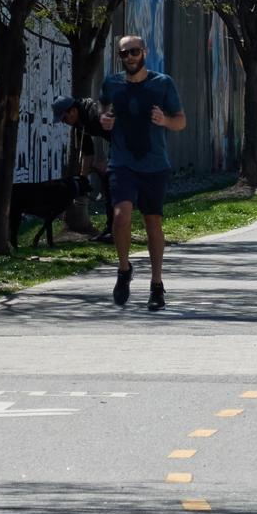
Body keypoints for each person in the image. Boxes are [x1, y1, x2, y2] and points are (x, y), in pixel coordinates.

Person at [100, 35, 186, 311]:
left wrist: (165, 120)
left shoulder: (162, 83)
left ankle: (157, 285)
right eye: (124, 54)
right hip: (122, 161)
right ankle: (124, 269)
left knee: (152, 223)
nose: (129, 58)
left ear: (144, 52)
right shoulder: (112, 84)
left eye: (134, 52)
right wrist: (105, 120)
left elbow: (181, 121)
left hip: (154, 164)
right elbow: (104, 110)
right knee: (120, 215)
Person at [54, 94, 113, 241]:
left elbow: (119, 134)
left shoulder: (95, 114)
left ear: (73, 111)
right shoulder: (79, 124)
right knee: (108, 185)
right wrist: (82, 180)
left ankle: (116, 230)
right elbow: (87, 152)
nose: (64, 122)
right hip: (119, 144)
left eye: (64, 118)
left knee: (114, 185)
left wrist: (109, 162)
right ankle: (111, 229)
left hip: (128, 142)